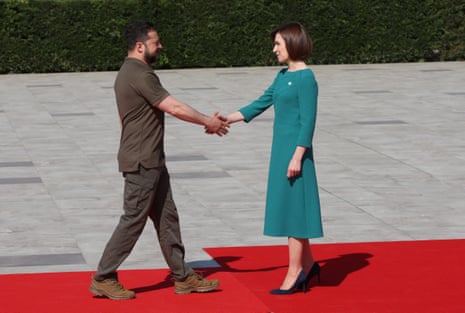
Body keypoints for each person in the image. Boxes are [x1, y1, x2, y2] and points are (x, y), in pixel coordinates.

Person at [89, 21, 228, 300]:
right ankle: (104, 276)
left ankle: (183, 276)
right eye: (156, 42)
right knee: (133, 220)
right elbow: (174, 107)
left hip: (150, 160)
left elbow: (124, 120)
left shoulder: (129, 73)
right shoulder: (140, 74)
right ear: (140, 46)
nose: (160, 45)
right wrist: (207, 122)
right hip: (142, 163)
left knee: (167, 219)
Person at [226, 22, 323, 295]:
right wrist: (227, 119)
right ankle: (311, 264)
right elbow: (260, 102)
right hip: (281, 151)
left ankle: (295, 272)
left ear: (292, 44)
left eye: (278, 44)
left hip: (295, 153)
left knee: (295, 212)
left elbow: (308, 122)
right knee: (292, 207)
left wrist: (298, 156)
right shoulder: (282, 76)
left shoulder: (307, 79)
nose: (274, 49)